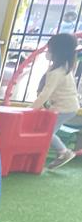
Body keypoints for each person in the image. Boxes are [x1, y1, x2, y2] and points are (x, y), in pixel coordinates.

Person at [32, 33, 80, 171]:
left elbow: (45, 93)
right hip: (65, 107)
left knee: (46, 132)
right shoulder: (64, 67)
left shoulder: (57, 72)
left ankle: (64, 152)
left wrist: (31, 109)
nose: (47, 52)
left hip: (65, 108)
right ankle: (58, 153)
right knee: (47, 132)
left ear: (58, 52)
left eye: (50, 50)